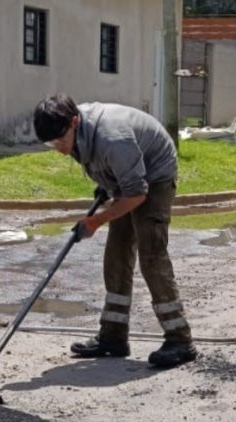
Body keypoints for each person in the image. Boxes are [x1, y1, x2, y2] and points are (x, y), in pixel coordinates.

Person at [32, 94, 197, 369]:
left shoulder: (112, 138)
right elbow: (100, 163)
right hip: (127, 178)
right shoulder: (74, 129)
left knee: (151, 255)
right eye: (51, 144)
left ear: (74, 122)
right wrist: (107, 184)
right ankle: (113, 337)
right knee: (117, 256)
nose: (59, 148)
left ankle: (180, 339)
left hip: (154, 177)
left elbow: (137, 194)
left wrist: (95, 221)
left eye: (59, 140)